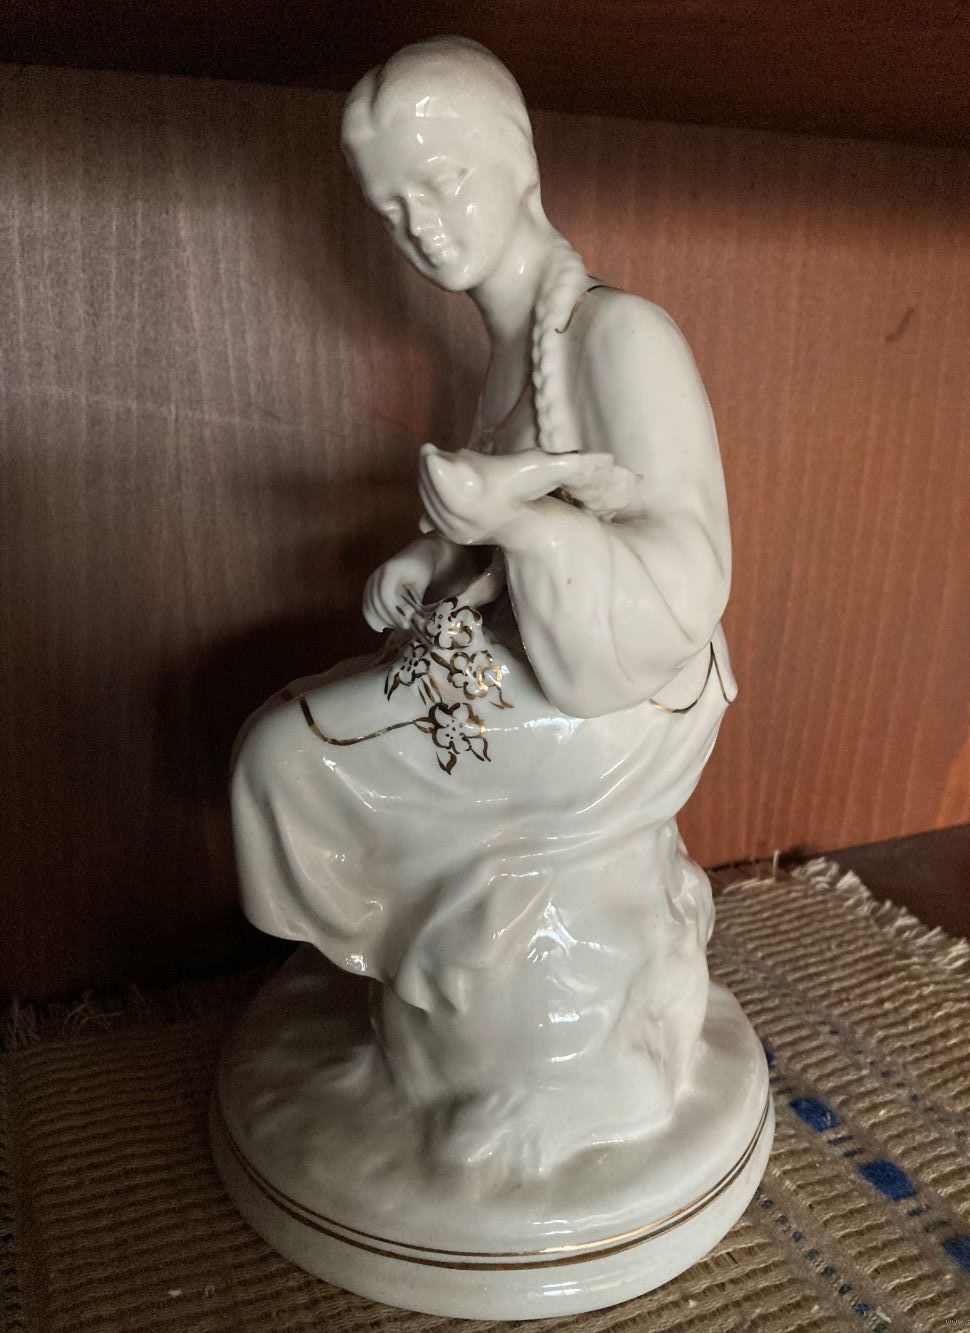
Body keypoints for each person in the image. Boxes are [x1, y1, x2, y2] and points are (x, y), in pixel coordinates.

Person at [231, 36, 737, 1180]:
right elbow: (523, 522)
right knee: (288, 746)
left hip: (624, 694)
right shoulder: (512, 348)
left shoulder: (621, 333)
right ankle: (437, 997)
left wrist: (514, 524)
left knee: (287, 755)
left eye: (443, 180)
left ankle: (518, 1027)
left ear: (518, 160)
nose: (421, 225)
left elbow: (690, 568)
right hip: (536, 653)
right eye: (391, 206)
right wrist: (435, 557)